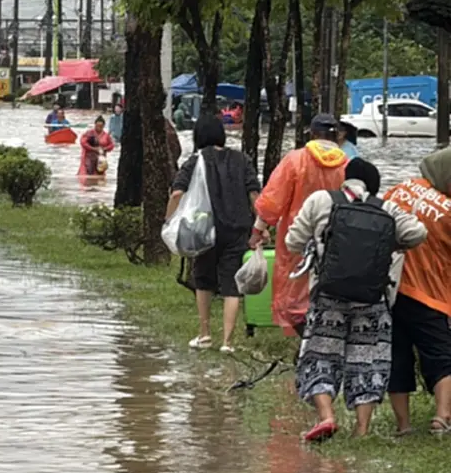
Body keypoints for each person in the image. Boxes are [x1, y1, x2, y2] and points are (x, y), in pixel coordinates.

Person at [285, 158, 426, 441]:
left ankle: (326, 417)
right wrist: (390, 244)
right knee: (368, 361)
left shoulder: (321, 200)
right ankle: (361, 431)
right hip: (372, 298)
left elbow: (292, 241)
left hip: (328, 295)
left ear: (345, 179)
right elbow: (418, 232)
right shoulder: (386, 208)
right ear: (373, 185)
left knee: (320, 354)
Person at [167, 114, 262, 353]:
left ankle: (205, 334)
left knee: (204, 281)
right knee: (232, 285)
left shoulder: (195, 161)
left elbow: (177, 194)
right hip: (238, 229)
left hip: (204, 230)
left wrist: (169, 221)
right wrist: (260, 227)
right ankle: (228, 343)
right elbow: (254, 196)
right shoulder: (242, 160)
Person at [250, 114, 349, 335]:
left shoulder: (295, 160)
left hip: (296, 237)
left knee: (293, 291)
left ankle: (301, 338)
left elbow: (272, 201)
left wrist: (258, 229)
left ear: (312, 134)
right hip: (335, 238)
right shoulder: (347, 164)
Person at [383, 148, 451, 435]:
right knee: (441, 356)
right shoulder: (447, 211)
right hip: (429, 294)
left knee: (397, 358)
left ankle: (403, 425)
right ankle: (442, 416)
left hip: (390, 290)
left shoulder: (400, 190)